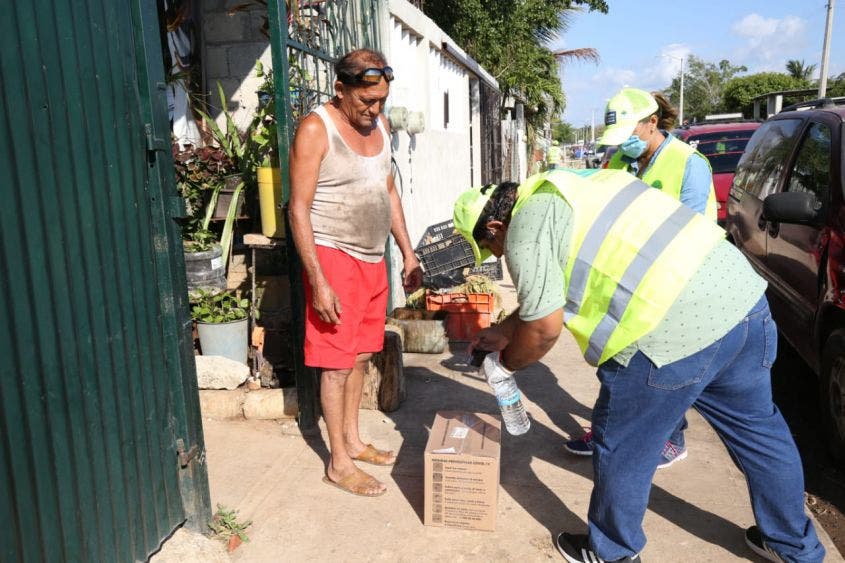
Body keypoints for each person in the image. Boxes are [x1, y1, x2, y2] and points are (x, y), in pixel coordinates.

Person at [453, 168, 824, 563]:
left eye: (492, 247)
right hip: (741, 302)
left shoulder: (525, 229)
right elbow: (541, 298)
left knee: (624, 448)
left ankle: (612, 552)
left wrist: (506, 365)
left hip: (668, 332)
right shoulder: (575, 182)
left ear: (496, 225)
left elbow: (544, 329)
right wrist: (506, 330)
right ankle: (793, 546)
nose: (499, 256)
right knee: (760, 432)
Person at [289, 49, 422, 497]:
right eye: (366, 101)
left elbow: (387, 191)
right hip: (334, 256)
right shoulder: (316, 129)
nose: (375, 109)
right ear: (340, 89)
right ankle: (338, 462)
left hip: (373, 256)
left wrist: (407, 251)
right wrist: (319, 280)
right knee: (335, 364)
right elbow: (298, 209)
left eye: (381, 99)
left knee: (362, 356)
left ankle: (354, 439)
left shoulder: (380, 126)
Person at [563, 87, 718, 465]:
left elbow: (692, 230)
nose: (623, 145)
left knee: (663, 366)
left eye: (630, 134)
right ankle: (605, 432)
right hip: (629, 276)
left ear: (652, 123)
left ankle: (672, 437)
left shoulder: (688, 163)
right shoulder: (619, 160)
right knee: (615, 361)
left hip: (677, 280)